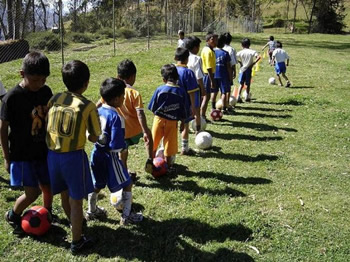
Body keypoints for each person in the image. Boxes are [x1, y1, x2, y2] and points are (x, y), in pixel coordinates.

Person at [46, 60, 101, 254]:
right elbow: (95, 136)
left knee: (64, 193)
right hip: (73, 158)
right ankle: (77, 241)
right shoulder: (87, 106)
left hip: (52, 156)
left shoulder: (55, 98)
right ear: (86, 83)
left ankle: (74, 224)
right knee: (76, 200)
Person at [0, 51, 54, 234]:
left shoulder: (46, 92)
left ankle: (47, 213)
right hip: (22, 154)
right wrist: (7, 157)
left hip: (42, 151)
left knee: (48, 186)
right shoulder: (12, 98)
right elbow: (2, 129)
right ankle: (14, 214)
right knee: (32, 193)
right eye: (36, 80)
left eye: (44, 79)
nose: (40, 84)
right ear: (22, 74)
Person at [87, 78, 143, 225]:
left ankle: (91, 210)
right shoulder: (117, 118)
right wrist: (123, 148)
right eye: (123, 96)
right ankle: (127, 216)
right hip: (110, 157)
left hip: (96, 154)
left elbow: (90, 134)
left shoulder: (97, 111)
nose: (124, 98)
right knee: (128, 183)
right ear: (117, 98)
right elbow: (116, 145)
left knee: (97, 184)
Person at [115, 59, 153, 181]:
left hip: (120, 131)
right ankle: (150, 160)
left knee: (123, 152)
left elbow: (100, 103)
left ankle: (125, 174)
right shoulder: (134, 93)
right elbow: (140, 114)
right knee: (149, 136)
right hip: (135, 129)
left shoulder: (113, 91)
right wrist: (145, 130)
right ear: (133, 76)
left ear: (118, 76)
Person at [148, 64, 189, 169]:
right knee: (169, 146)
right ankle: (168, 167)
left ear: (163, 79)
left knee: (153, 143)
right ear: (177, 78)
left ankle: (150, 162)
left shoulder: (160, 90)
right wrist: (183, 123)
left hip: (158, 120)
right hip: (172, 122)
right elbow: (184, 110)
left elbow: (153, 107)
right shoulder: (181, 92)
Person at [175, 47, 200, 155]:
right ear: (187, 58)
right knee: (185, 125)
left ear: (175, 57)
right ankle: (184, 148)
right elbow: (192, 92)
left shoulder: (171, 70)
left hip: (173, 103)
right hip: (185, 104)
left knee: (172, 126)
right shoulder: (188, 73)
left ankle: (166, 148)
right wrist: (193, 107)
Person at [184, 36, 206, 121]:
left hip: (184, 85)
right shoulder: (197, 58)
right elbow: (199, 76)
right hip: (194, 86)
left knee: (186, 105)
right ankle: (197, 126)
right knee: (196, 107)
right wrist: (203, 89)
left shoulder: (183, 56)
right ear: (195, 47)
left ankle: (185, 124)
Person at [236, 38, 261, 102]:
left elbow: (234, 58)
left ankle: (238, 96)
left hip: (242, 70)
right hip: (248, 69)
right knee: (248, 83)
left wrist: (240, 62)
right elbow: (258, 57)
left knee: (241, 84)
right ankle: (247, 96)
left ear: (242, 45)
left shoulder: (240, 52)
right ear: (249, 44)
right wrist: (253, 63)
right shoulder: (252, 51)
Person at [201, 32, 218, 119]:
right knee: (206, 97)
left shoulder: (210, 49)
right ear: (208, 40)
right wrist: (212, 80)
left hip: (209, 75)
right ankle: (202, 116)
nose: (216, 42)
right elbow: (208, 68)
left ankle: (201, 115)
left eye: (217, 40)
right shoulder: (207, 51)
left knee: (206, 97)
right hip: (208, 75)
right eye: (214, 40)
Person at [214, 34, 232, 113]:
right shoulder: (225, 53)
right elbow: (228, 67)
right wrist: (230, 77)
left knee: (214, 92)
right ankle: (224, 108)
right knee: (224, 92)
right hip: (223, 75)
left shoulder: (212, 52)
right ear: (224, 43)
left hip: (214, 75)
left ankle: (213, 107)